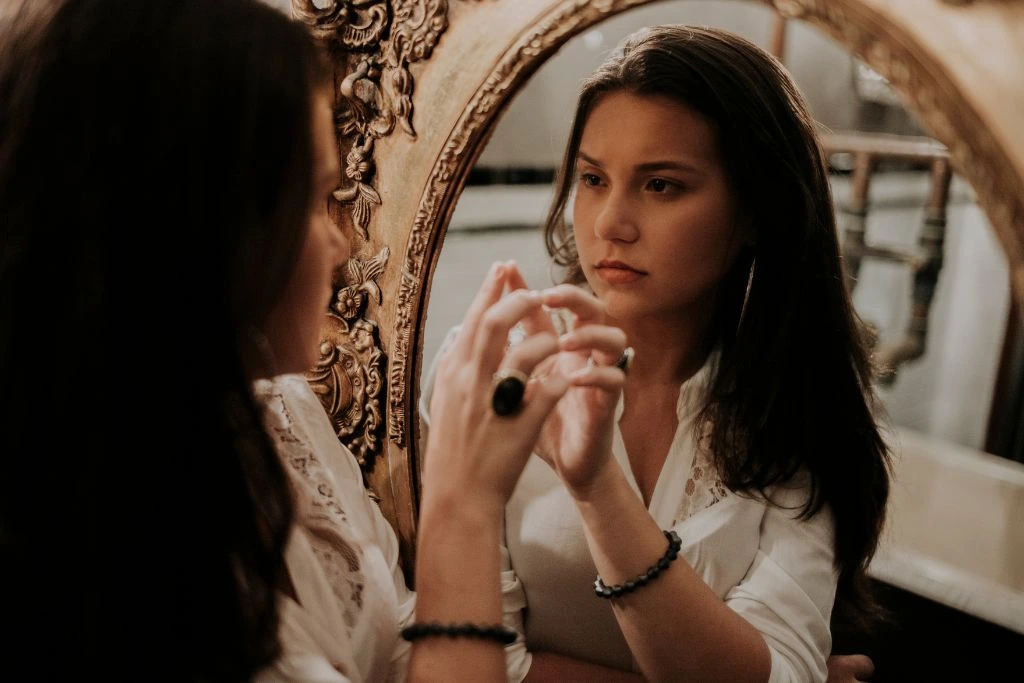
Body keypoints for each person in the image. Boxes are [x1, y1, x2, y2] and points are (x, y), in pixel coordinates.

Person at [0, 1, 625, 680]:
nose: (339, 240)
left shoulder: (283, 415)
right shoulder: (82, 538)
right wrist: (462, 502)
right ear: (195, 223)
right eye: (312, 199)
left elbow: (393, 646)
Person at [421, 24, 891, 683]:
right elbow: (470, 656)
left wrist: (598, 488)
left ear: (755, 210)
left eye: (661, 185)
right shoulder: (500, 366)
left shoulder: (792, 400)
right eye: (592, 178)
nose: (610, 222)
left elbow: (784, 666)